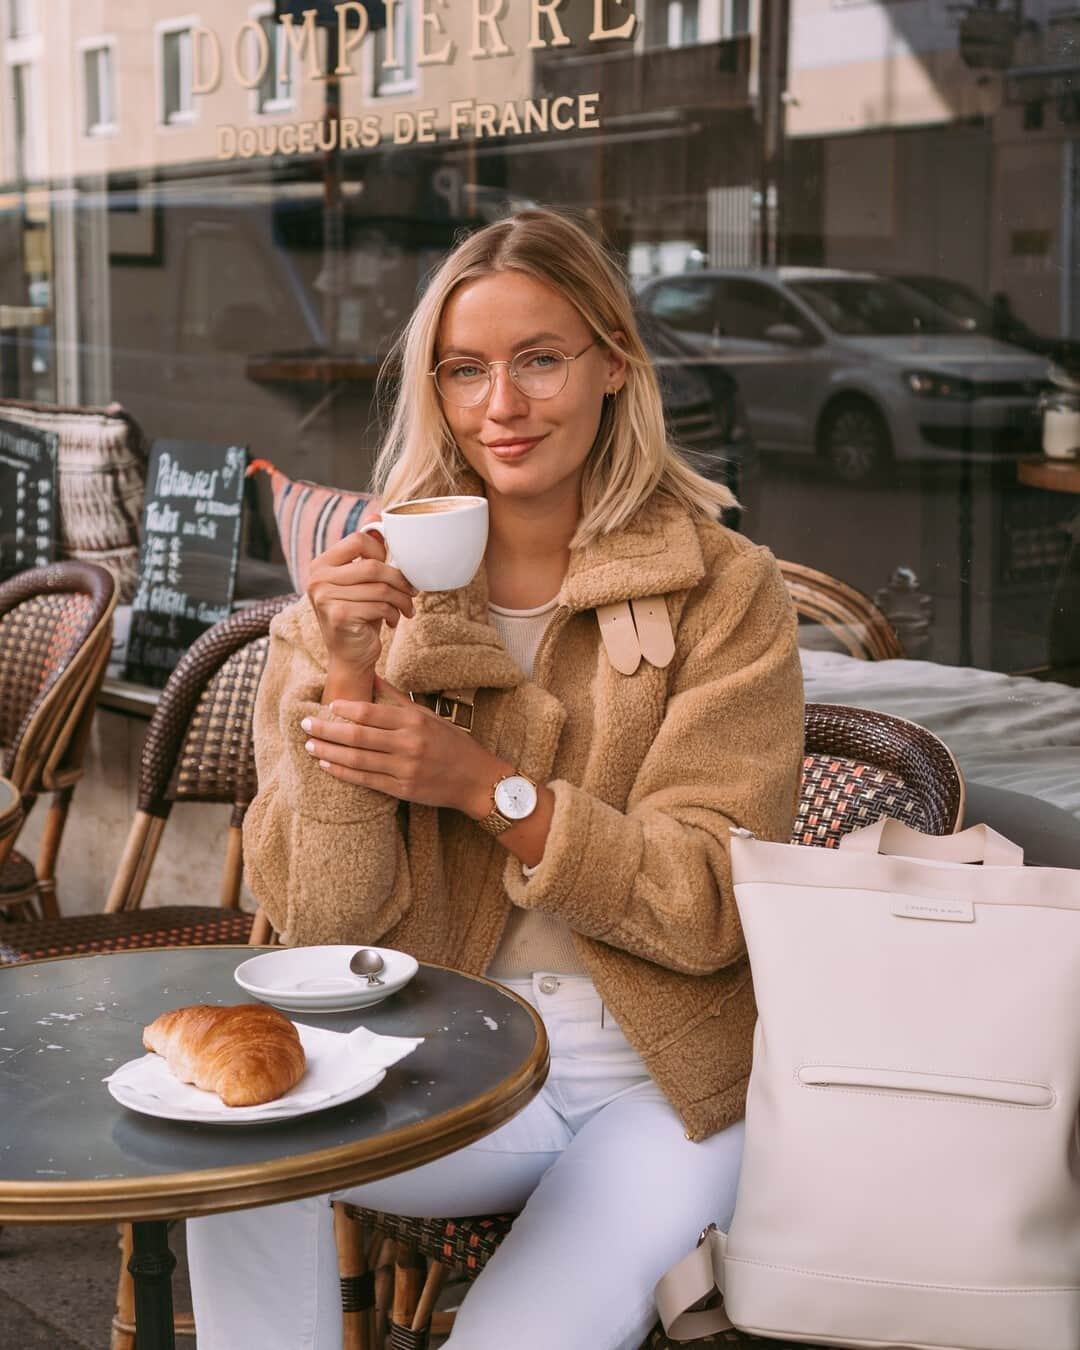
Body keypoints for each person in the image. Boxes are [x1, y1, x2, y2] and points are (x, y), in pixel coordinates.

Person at [187, 208, 804, 1350]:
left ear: (615, 362)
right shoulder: (354, 603)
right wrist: (354, 679)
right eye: (465, 370)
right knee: (239, 1150)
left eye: (539, 361)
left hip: (659, 1082)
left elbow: (707, 904)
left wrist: (491, 789)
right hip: (445, 1059)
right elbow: (317, 931)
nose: (500, 408)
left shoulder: (723, 590)